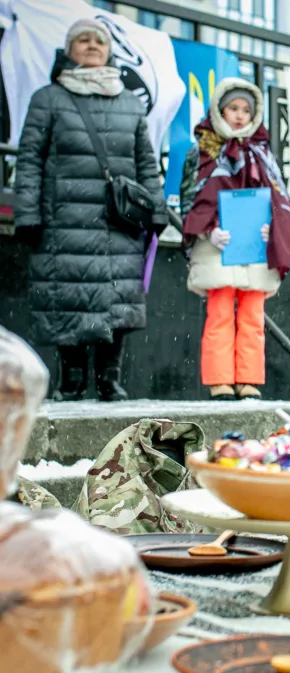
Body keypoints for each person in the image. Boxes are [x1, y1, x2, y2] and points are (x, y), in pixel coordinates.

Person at [13, 19, 166, 401]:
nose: (92, 45)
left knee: (118, 301)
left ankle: (109, 379)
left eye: (100, 40)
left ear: (110, 51)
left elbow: (146, 163)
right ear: (69, 50)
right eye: (83, 40)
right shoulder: (48, 98)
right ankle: (72, 380)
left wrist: (158, 209)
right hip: (65, 220)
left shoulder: (129, 102)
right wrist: (27, 214)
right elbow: (30, 160)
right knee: (70, 297)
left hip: (120, 221)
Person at [179, 77, 290, 400]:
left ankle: (248, 380)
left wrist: (272, 227)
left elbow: (280, 199)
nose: (240, 115)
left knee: (253, 316)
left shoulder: (263, 153)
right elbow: (190, 199)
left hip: (256, 248)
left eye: (246, 109)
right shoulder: (202, 150)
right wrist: (207, 230)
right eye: (233, 108)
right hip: (218, 246)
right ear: (220, 111)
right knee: (219, 314)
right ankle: (219, 380)